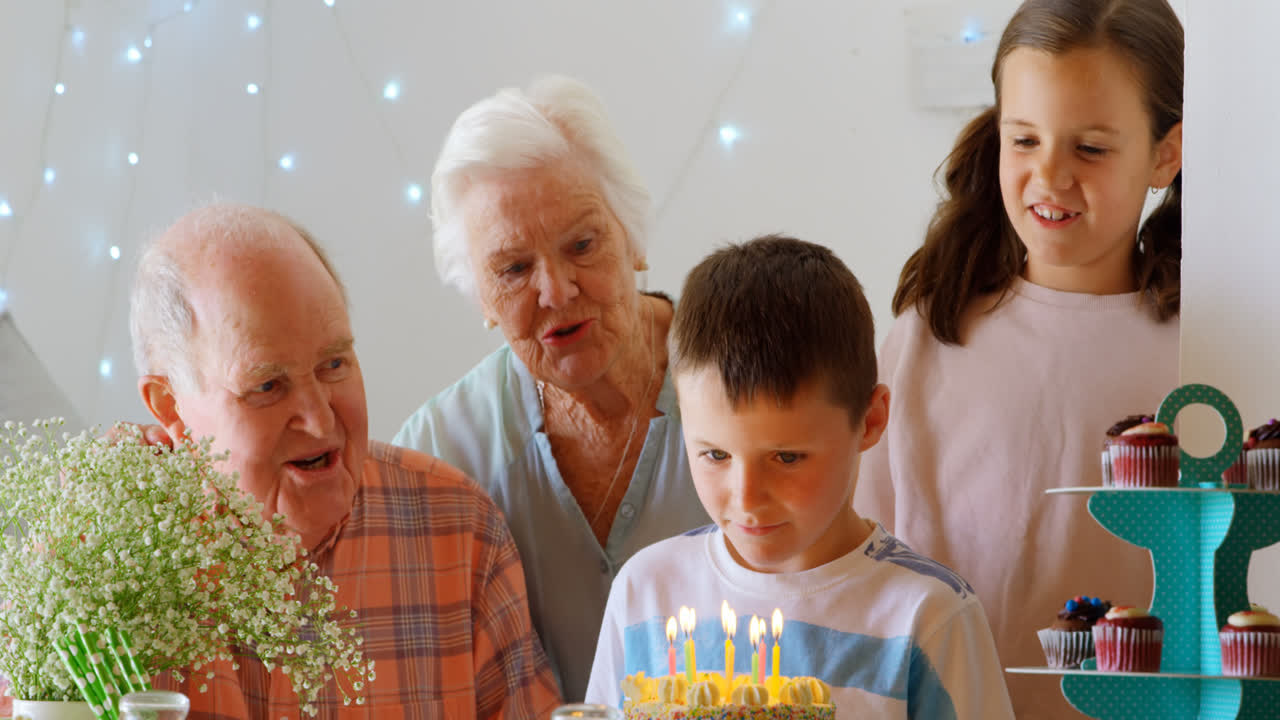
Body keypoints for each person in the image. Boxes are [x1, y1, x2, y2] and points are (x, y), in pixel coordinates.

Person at [854, 1, 1183, 717]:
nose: (1051, 177)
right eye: (1025, 140)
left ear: (1166, 151)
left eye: (1091, 148)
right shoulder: (925, 336)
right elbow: (860, 564)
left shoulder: (1201, 352)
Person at [128, 204, 561, 719]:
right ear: (170, 407)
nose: (317, 417)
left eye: (334, 365)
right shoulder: (105, 562)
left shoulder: (458, 532)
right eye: (267, 386)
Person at [584, 236, 1014, 719]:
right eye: (716, 454)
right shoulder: (646, 590)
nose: (747, 498)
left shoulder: (926, 618)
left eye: (787, 457)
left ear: (869, 422)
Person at [393, 75, 708, 701]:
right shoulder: (439, 451)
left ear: (633, 238)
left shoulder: (747, 386)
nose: (557, 291)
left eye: (582, 244)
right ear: (479, 296)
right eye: (513, 268)